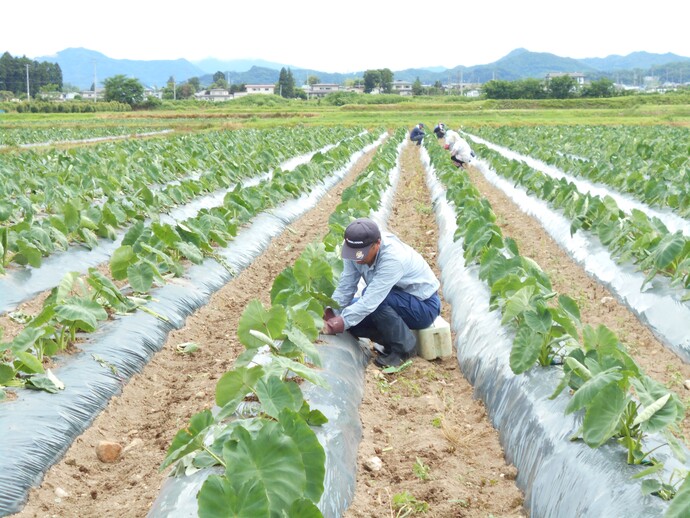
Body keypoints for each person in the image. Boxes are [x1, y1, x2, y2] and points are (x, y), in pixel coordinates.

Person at [322, 218, 441, 368]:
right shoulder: (353, 252)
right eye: (353, 252)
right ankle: (389, 340)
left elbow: (372, 299)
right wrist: (332, 313)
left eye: (361, 253)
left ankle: (404, 348)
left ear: (377, 244)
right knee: (350, 318)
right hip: (393, 300)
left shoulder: (393, 258)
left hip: (423, 306)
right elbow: (346, 286)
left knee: (367, 303)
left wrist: (335, 325)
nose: (356, 258)